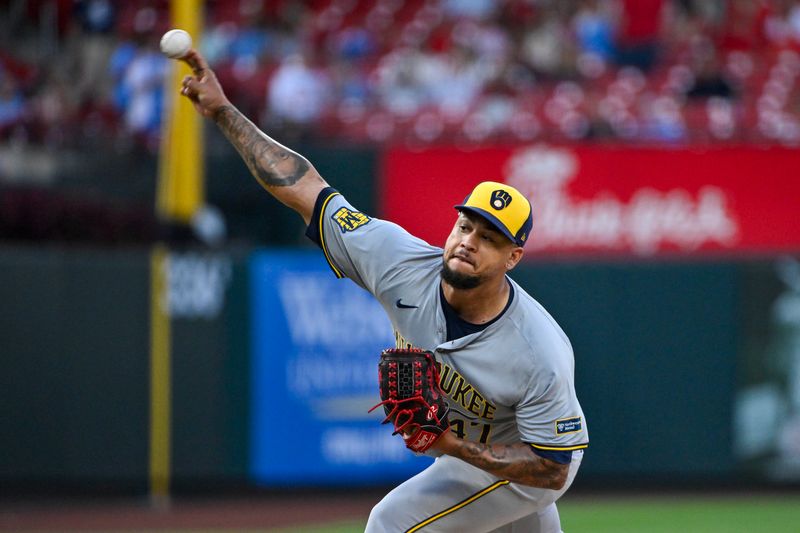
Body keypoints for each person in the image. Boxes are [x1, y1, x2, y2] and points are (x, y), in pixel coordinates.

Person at [178, 48, 588, 533]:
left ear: (512, 258)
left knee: (390, 523)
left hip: (534, 468)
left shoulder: (539, 350)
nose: (469, 243)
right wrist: (224, 111)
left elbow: (553, 466)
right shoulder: (396, 259)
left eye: (490, 238)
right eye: (466, 227)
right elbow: (303, 186)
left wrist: (455, 448)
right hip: (483, 452)